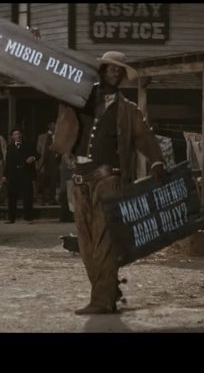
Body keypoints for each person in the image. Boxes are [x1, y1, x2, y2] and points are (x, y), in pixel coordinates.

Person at [50, 51, 165, 315]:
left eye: (119, 71)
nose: (115, 73)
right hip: (79, 179)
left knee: (103, 240)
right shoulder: (80, 96)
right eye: (111, 69)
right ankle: (109, 291)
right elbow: (54, 84)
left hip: (108, 179)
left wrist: (157, 161)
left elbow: (144, 137)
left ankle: (101, 300)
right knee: (86, 242)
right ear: (102, 71)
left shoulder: (127, 110)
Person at [3, 128, 38, 224]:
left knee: (27, 196)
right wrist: (5, 175)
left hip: (26, 174)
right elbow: (7, 162)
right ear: (12, 137)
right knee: (12, 197)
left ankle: (28, 217)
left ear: (21, 135)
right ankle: (11, 218)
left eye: (19, 134)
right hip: (13, 175)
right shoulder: (10, 147)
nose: (17, 136)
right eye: (15, 134)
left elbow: (37, 154)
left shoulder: (28, 145)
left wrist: (33, 157)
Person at [36, 121, 60, 205]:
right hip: (44, 161)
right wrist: (38, 164)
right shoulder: (42, 137)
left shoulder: (58, 137)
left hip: (54, 161)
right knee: (43, 181)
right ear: (49, 125)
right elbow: (38, 150)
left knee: (53, 180)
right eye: (54, 124)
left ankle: (52, 199)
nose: (55, 126)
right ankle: (43, 199)